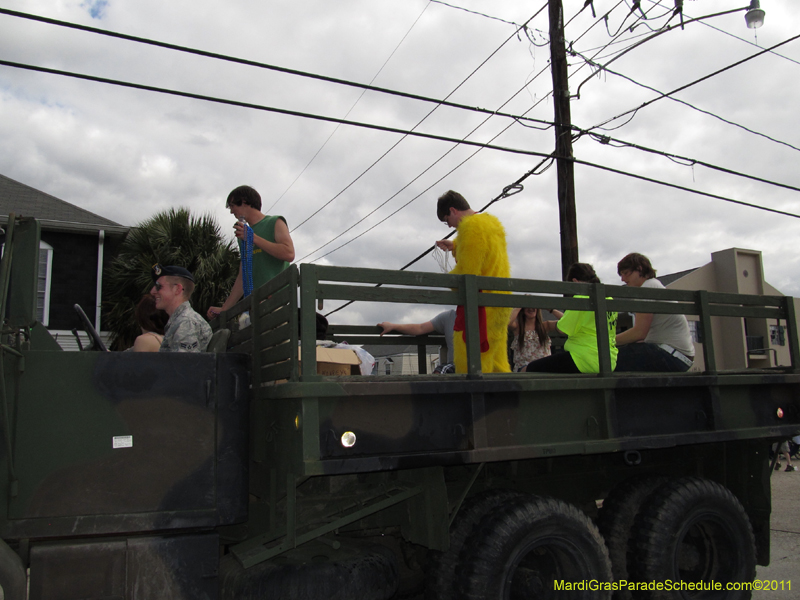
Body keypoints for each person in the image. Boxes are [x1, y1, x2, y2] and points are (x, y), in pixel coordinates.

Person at [435, 191, 511, 374]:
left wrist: (446, 280)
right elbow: (484, 252)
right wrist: (456, 245)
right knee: (497, 361)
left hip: (481, 308)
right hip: (500, 303)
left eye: (447, 220)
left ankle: (475, 394)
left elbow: (467, 273)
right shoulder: (491, 223)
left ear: (453, 210)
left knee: (471, 359)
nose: (449, 225)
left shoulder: (470, 228)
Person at [207, 185, 295, 319]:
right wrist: (224, 309)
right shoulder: (243, 236)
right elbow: (243, 275)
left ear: (244, 201)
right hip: (255, 307)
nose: (231, 211)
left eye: (232, 206)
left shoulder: (274, 222)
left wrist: (253, 238)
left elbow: (289, 253)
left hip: (277, 302)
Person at [526, 263, 618, 374]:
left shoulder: (581, 298)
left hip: (583, 359)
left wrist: (551, 325)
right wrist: (553, 312)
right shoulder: (608, 299)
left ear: (574, 281)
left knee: (529, 368)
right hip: (609, 360)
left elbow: (563, 329)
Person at [614, 253, 695, 372]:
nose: (622, 279)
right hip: (679, 356)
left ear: (639, 269)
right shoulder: (655, 285)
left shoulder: (647, 288)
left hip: (669, 354)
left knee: (607, 358)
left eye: (626, 273)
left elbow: (639, 333)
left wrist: (607, 341)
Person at [151, 264, 212, 352]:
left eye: (158, 286)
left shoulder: (186, 322)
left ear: (177, 289)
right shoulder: (180, 321)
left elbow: (185, 360)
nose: (152, 291)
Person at [378, 309, 457, 374]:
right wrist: (393, 326)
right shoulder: (449, 316)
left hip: (464, 366)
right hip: (454, 366)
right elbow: (420, 328)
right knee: (438, 373)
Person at [508, 306, 561, 372]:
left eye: (533, 306)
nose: (531, 308)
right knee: (536, 368)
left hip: (544, 366)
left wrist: (551, 309)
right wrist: (520, 305)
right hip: (524, 367)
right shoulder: (518, 327)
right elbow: (508, 322)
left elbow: (568, 322)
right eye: (527, 306)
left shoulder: (545, 326)